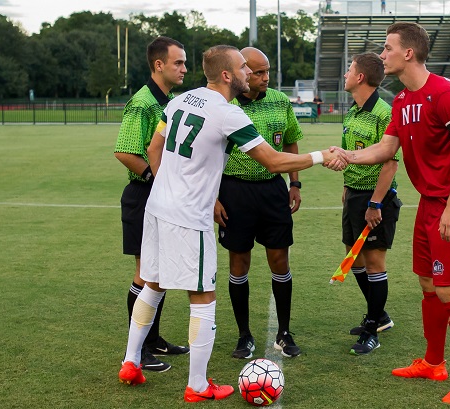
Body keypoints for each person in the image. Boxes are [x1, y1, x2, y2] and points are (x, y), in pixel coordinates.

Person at [117, 44, 346, 402]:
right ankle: (197, 385)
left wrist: (169, 184)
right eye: (242, 68)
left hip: (158, 207)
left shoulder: (180, 100)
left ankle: (130, 361)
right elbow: (272, 161)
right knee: (203, 297)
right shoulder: (228, 114)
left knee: (153, 281)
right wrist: (321, 155)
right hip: (190, 215)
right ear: (227, 75)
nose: (247, 73)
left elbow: (153, 148)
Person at [329, 22, 450, 404]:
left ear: (408, 53)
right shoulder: (402, 101)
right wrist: (348, 155)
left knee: (449, 287)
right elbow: (386, 149)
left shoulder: (444, 92)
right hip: (430, 205)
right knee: (428, 285)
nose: (382, 55)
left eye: (387, 48)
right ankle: (434, 363)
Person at [214, 47, 304, 360]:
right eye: (259, 72)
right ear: (242, 72)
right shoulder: (225, 105)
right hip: (234, 192)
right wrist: (214, 197)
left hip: (273, 191)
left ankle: (284, 332)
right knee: (239, 263)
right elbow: (208, 154)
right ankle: (244, 335)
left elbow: (291, 140)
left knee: (280, 260)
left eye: (268, 71)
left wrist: (294, 183)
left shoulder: (280, 100)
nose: (266, 78)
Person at [114, 36, 189, 373]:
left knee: (159, 273)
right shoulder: (143, 102)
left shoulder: (169, 101)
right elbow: (125, 150)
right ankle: (139, 349)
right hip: (144, 196)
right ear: (159, 65)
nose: (184, 68)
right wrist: (154, 177)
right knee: (145, 274)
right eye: (178, 63)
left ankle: (154, 339)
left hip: (163, 197)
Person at [341, 52, 401, 355]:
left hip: (375, 199)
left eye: (349, 70)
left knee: (375, 262)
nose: (346, 75)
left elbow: (390, 163)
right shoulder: (352, 112)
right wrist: (346, 189)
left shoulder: (384, 113)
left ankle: (373, 327)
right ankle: (379, 315)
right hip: (354, 195)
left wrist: (375, 203)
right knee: (354, 259)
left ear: (360, 77)